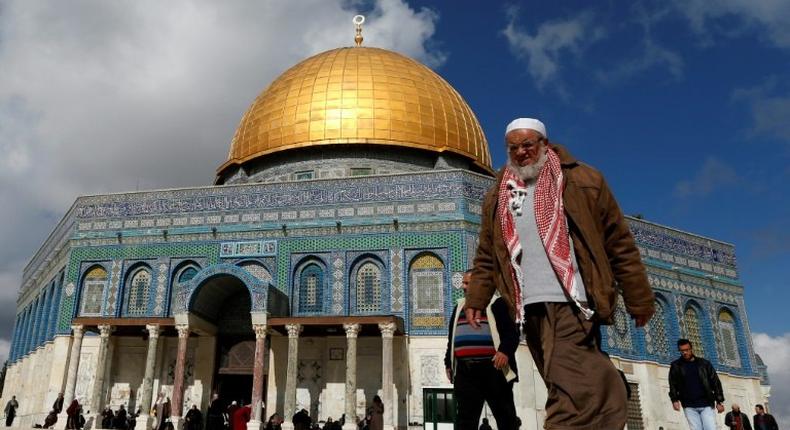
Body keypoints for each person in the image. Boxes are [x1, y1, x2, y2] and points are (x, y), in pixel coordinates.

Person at [465, 117, 655, 430]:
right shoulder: (499, 194)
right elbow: (488, 253)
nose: (521, 152)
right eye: (514, 147)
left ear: (543, 143)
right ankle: (612, 390)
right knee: (562, 379)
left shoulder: (582, 180)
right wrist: (477, 297)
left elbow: (618, 242)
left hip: (572, 299)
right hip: (526, 306)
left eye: (527, 144)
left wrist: (639, 297)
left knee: (568, 390)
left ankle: (601, 397)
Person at [445, 271, 518, 429]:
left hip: (493, 369)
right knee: (465, 420)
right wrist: (448, 364)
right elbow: (452, 339)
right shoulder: (459, 307)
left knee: (505, 418)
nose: (463, 287)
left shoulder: (496, 304)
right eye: (463, 283)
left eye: (467, 283)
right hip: (466, 371)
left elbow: (512, 333)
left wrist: (504, 351)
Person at [668, 339, 725, 430]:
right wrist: (674, 400)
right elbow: (672, 384)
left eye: (687, 350)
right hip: (689, 405)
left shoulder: (704, 364)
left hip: (706, 403)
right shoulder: (676, 366)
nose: (685, 353)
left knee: (710, 428)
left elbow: (715, 382)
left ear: (691, 349)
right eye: (682, 351)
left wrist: (719, 401)